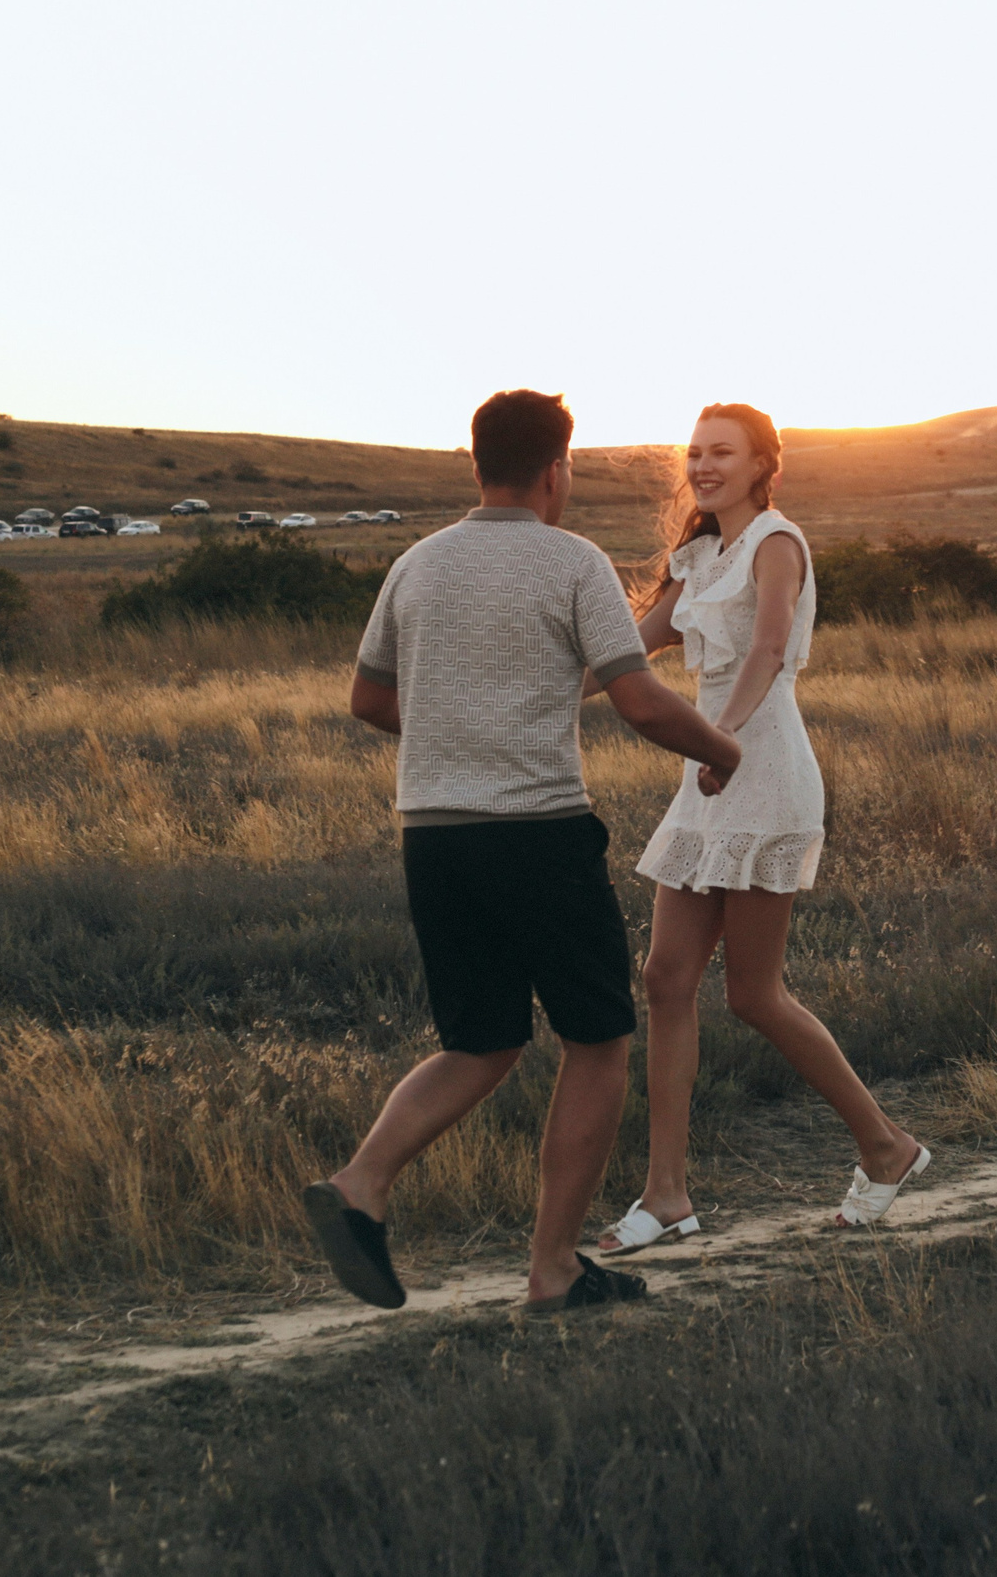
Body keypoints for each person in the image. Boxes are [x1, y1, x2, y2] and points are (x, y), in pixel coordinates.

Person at [302, 389, 742, 1313]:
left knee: (481, 1039)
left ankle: (363, 1181)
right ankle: (552, 1268)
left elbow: (369, 701)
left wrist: (456, 729)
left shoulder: (415, 565)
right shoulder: (572, 562)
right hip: (537, 834)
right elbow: (638, 698)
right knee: (598, 1039)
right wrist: (720, 748)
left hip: (433, 837)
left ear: (475, 466)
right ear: (556, 471)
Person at [594, 403, 927, 1256]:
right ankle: (666, 1194)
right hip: (707, 773)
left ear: (760, 464)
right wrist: (541, 690)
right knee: (666, 977)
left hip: (761, 766)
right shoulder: (699, 556)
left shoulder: (778, 541)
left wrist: (724, 735)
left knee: (753, 993)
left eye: (722, 453)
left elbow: (769, 646)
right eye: (696, 453)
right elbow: (634, 650)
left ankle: (887, 1146)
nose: (704, 466)